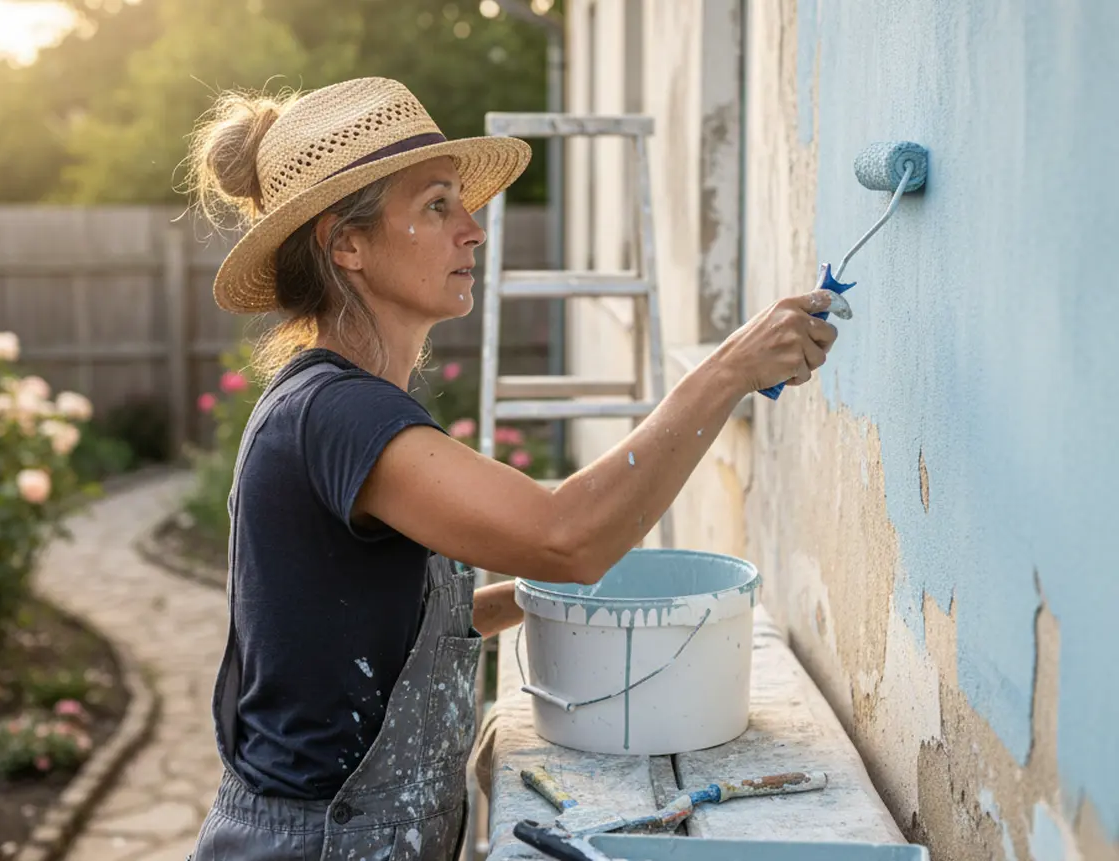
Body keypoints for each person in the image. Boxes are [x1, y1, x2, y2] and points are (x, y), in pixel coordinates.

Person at [184, 77, 839, 861]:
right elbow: (567, 536)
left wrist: (526, 602)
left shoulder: (338, 405)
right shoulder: (338, 413)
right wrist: (729, 368)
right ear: (346, 244)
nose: (474, 230)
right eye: (436, 206)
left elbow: (365, 625)